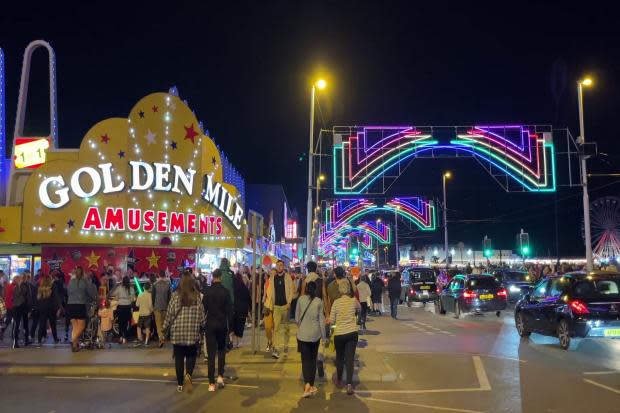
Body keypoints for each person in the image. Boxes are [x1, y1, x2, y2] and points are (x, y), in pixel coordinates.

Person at [163, 271, 205, 393]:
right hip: (192, 334)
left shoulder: (175, 297)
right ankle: (188, 375)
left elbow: (169, 316)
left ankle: (180, 384)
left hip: (177, 334)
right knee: (191, 356)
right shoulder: (197, 298)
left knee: (179, 358)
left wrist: (163, 329)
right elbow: (202, 318)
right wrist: (203, 326)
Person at [202, 269, 233, 392]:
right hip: (221, 324)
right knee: (221, 351)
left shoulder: (207, 291)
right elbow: (230, 311)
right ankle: (220, 376)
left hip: (210, 324)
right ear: (220, 277)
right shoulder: (225, 292)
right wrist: (230, 327)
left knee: (211, 354)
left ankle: (211, 383)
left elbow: (203, 309)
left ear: (212, 277)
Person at [329, 281, 361, 395]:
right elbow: (360, 309)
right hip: (352, 333)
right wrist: (356, 317)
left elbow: (332, 320)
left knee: (340, 358)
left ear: (340, 290)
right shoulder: (354, 301)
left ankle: (339, 380)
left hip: (340, 334)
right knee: (349, 359)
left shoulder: (336, 303)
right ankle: (349, 384)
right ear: (348, 290)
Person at [295, 281, 326, 398]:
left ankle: (307, 384)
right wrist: (324, 337)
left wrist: (303, 326)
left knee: (305, 360)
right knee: (313, 360)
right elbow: (322, 321)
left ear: (306, 289)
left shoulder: (300, 300)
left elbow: (297, 319)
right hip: (315, 335)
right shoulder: (319, 301)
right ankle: (311, 385)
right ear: (316, 289)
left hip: (302, 335)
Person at [265, 260, 293, 359]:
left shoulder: (288, 277)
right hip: (276, 306)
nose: (279, 267)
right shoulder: (273, 278)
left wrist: (289, 302)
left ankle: (286, 345)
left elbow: (291, 290)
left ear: (283, 266)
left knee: (286, 327)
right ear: (276, 267)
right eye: (278, 265)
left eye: (281, 265)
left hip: (285, 306)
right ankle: (276, 348)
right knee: (276, 328)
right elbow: (270, 292)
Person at [66, 267, 97, 352]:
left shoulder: (71, 282)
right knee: (82, 326)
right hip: (80, 305)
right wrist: (95, 298)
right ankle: (73, 341)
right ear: (83, 273)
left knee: (75, 327)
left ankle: (75, 346)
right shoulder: (85, 282)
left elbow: (68, 292)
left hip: (70, 305)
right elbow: (91, 293)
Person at [35, 274, 62, 346]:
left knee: (42, 324)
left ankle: (39, 340)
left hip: (42, 308)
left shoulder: (40, 287)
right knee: (53, 324)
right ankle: (55, 339)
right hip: (51, 308)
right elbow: (55, 298)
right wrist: (58, 308)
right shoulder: (53, 287)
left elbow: (38, 299)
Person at [110, 276, 135, 344]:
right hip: (128, 306)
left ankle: (121, 337)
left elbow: (113, 294)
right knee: (127, 323)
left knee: (121, 323)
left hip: (121, 306)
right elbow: (133, 298)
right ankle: (124, 337)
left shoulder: (119, 287)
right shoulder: (131, 288)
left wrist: (118, 297)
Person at [153, 270, 171, 347]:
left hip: (157, 307)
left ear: (159, 275)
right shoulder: (168, 284)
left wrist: (153, 305)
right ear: (164, 275)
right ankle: (163, 336)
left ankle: (161, 338)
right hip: (165, 307)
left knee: (158, 324)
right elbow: (169, 296)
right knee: (164, 324)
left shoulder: (155, 284)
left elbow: (153, 296)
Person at [232, 272, 250, 348]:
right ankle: (238, 342)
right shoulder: (244, 288)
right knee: (241, 325)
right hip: (243, 310)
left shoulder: (233, 288)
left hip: (234, 309)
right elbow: (248, 299)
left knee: (234, 325)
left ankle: (234, 342)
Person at [12, 274, 31, 348]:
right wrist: (30, 309)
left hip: (16, 307)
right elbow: (28, 297)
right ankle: (26, 340)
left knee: (17, 324)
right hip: (23, 306)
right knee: (25, 324)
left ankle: (15, 342)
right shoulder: (24, 286)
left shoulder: (14, 287)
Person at [135, 282, 154, 346]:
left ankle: (140, 339)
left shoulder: (140, 295)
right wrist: (151, 310)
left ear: (143, 288)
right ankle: (146, 341)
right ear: (149, 288)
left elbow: (137, 304)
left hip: (141, 313)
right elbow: (150, 305)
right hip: (147, 314)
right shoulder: (149, 295)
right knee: (147, 327)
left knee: (139, 327)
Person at [262, 269, 275, 352]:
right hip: (267, 306)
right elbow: (264, 295)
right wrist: (263, 299)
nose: (273, 275)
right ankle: (269, 340)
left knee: (274, 327)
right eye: (271, 273)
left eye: (274, 274)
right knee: (267, 327)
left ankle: (273, 343)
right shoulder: (267, 282)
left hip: (276, 307)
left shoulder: (279, 283)